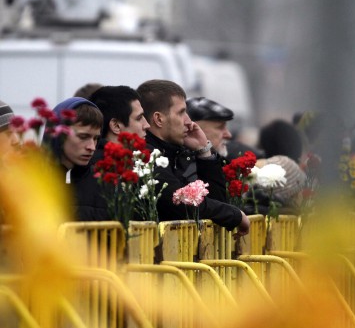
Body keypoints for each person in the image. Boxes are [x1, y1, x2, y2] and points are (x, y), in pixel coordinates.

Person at [136, 79, 250, 236]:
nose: (189, 121)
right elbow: (180, 203)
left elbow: (216, 201)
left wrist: (204, 152)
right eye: (181, 112)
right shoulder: (145, 154)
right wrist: (235, 215)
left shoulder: (176, 152)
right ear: (159, 119)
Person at [42, 97, 109, 221]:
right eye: (83, 136)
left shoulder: (105, 185)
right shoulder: (31, 181)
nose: (92, 147)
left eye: (95, 139)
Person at [89, 85, 150, 161]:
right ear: (116, 126)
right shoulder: (101, 167)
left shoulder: (149, 153)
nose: (147, 125)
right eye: (139, 118)